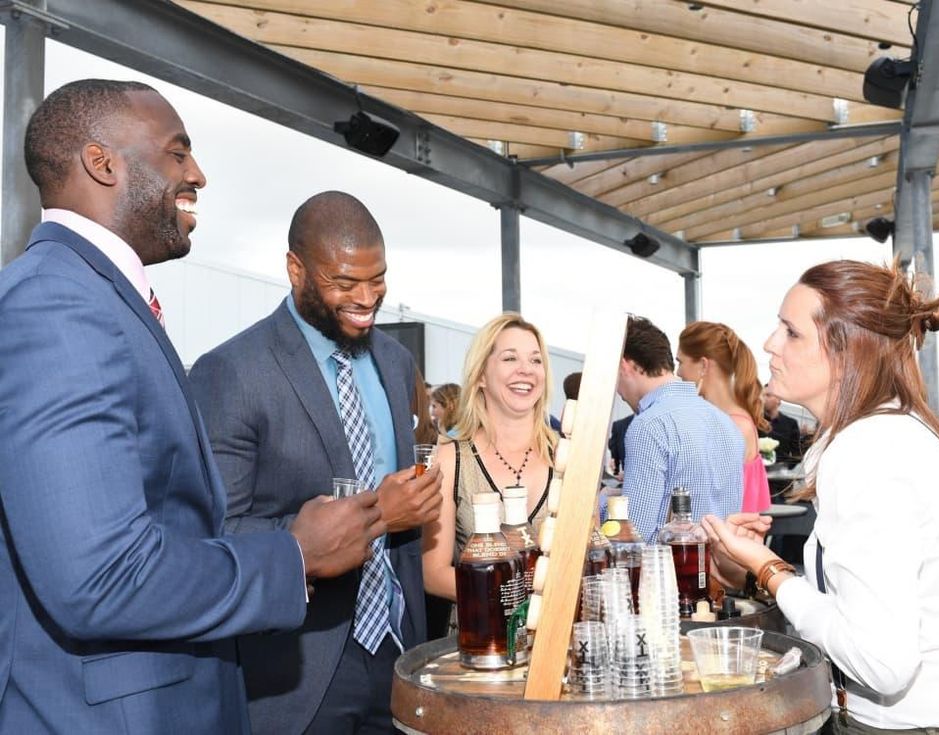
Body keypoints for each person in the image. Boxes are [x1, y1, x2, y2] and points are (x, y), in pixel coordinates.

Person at [0, 80, 383, 733]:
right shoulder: (56, 305)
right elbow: (100, 576)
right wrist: (292, 555)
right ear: (102, 163)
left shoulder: (97, 298)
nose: (197, 174)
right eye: (178, 153)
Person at [189, 191, 442, 734]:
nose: (366, 299)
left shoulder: (396, 361)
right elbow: (212, 534)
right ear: (295, 269)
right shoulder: (233, 371)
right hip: (296, 672)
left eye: (377, 280)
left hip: (398, 653)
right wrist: (379, 515)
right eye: (344, 283)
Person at [703, 259, 939, 732]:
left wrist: (769, 570)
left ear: (848, 353)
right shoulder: (879, 435)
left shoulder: (870, 450)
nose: (769, 344)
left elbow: (881, 662)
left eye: (791, 332)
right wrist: (756, 568)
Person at [422, 313, 556, 604]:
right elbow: (433, 574)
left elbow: (588, 561)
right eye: (510, 358)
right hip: (479, 627)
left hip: (556, 628)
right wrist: (508, 596)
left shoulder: (567, 458)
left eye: (536, 360)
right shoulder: (451, 459)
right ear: (481, 375)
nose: (526, 370)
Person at [614, 316, 744, 541]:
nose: (618, 392)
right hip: (719, 558)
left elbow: (635, 534)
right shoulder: (726, 422)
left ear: (624, 366)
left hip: (672, 562)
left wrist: (603, 504)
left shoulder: (649, 426)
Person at [677, 320, 771, 513]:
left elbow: (707, 503)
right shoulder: (735, 420)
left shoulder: (730, 425)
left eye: (680, 362)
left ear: (703, 365)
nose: (678, 372)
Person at [759, 382, 804, 465]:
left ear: (779, 399)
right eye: (762, 395)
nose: (763, 399)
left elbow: (797, 456)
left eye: (768, 395)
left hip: (779, 471)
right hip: (757, 470)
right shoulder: (755, 421)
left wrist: (783, 468)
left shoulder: (791, 424)